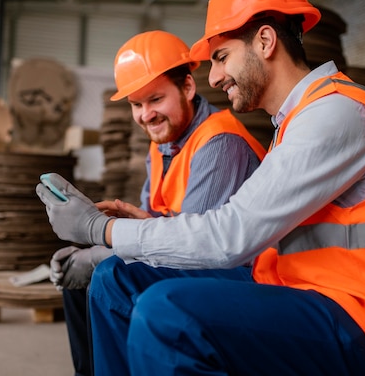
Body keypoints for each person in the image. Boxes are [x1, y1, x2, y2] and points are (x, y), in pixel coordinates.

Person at [36, 0, 365, 375]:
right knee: (116, 279)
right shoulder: (296, 120)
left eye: (221, 57)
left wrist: (101, 231)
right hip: (312, 292)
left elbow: (231, 237)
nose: (214, 77)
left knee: (167, 314)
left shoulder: (336, 114)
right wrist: (132, 236)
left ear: (266, 41)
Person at [48, 29, 266, 376]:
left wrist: (101, 250)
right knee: (83, 283)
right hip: (192, 256)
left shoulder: (219, 143)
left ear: (188, 88)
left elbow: (198, 249)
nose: (146, 115)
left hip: (242, 272)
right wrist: (95, 246)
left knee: (110, 274)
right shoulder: (164, 142)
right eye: (136, 104)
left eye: (155, 99)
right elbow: (163, 219)